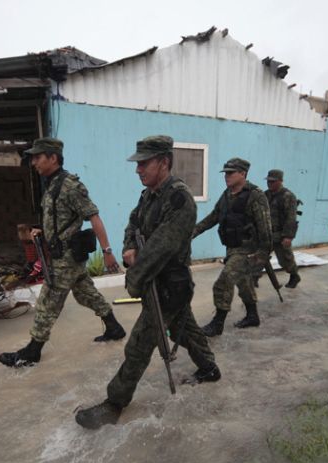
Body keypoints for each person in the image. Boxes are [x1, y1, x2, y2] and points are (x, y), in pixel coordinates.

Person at [75, 135, 220, 429]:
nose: (137, 170)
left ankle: (115, 402)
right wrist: (130, 247)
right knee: (184, 329)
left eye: (143, 163)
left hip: (169, 285)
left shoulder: (179, 199)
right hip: (157, 280)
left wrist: (134, 272)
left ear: (164, 163)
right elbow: (133, 223)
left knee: (140, 343)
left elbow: (161, 248)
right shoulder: (149, 196)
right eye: (137, 164)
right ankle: (209, 368)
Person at [0, 137, 126, 368]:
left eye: (38, 157)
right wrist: (44, 231)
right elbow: (59, 220)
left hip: (65, 258)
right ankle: (114, 328)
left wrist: (107, 251)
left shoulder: (69, 186)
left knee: (48, 302)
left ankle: (32, 351)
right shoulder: (52, 184)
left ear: (53, 158)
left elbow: (93, 216)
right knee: (86, 293)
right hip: (66, 255)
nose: (34, 162)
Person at [192, 158, 273, 337]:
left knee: (224, 281)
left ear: (243, 174)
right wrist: (192, 232)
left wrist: (263, 253)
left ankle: (218, 323)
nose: (226, 176)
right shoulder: (227, 194)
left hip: (248, 250)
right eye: (225, 173)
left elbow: (265, 227)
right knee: (243, 283)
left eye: (231, 173)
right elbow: (214, 216)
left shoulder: (256, 195)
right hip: (232, 247)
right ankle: (253, 316)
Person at [264, 169, 301, 288]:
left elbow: (291, 218)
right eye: (268, 181)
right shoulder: (266, 195)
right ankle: (254, 277)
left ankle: (294, 275)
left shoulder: (288, 196)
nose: (270, 184)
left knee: (285, 259)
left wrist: (288, 236)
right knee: (260, 256)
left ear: (280, 181)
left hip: (281, 233)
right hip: (267, 233)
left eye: (273, 181)